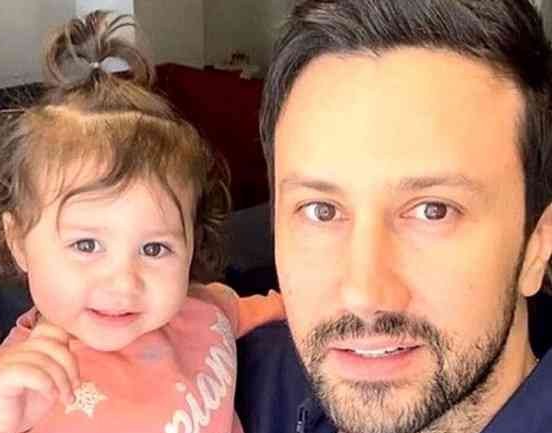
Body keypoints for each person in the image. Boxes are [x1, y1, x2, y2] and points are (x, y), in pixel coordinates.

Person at [0, 11, 283, 433]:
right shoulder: (12, 386)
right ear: (18, 239)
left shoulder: (208, 307)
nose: (123, 282)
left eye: (154, 248)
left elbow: (281, 311)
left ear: (192, 241)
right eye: (86, 245)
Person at [235, 1, 552, 433]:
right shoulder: (223, 382)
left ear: (537, 246)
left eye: (433, 211)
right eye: (321, 211)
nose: (364, 295)